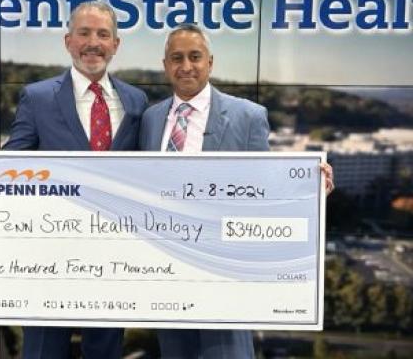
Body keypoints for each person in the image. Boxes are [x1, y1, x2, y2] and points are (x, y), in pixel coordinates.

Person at [0, 1, 148, 359]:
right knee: (44, 349)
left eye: (103, 34)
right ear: (68, 41)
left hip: (112, 258)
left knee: (106, 349)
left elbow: (149, 171)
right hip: (47, 255)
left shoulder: (137, 101)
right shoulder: (38, 96)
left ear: (116, 44)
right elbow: (13, 159)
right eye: (84, 33)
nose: (93, 42)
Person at [139, 23, 334, 359]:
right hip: (167, 279)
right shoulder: (150, 119)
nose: (186, 66)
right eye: (177, 58)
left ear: (210, 62)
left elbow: (266, 191)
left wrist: (309, 192)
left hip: (224, 275)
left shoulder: (247, 116)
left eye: (195, 56)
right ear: (165, 65)